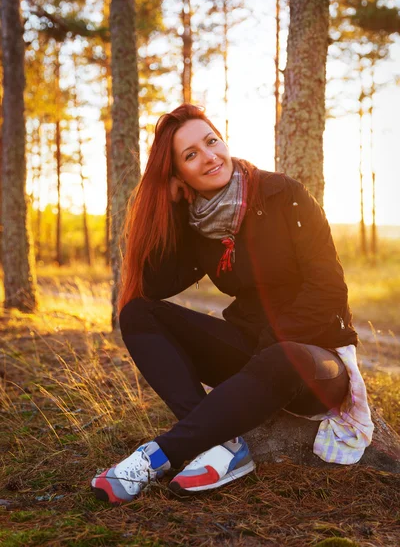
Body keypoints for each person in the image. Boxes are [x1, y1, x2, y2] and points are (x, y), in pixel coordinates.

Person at [91, 103, 373, 504]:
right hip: (251, 355)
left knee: (283, 356)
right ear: (178, 175)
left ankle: (159, 455)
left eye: (211, 141)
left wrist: (270, 346)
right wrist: (172, 208)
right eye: (190, 155)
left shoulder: (285, 195)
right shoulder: (199, 222)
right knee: (138, 313)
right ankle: (223, 445)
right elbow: (154, 286)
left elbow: (329, 290)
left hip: (314, 361)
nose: (208, 156)